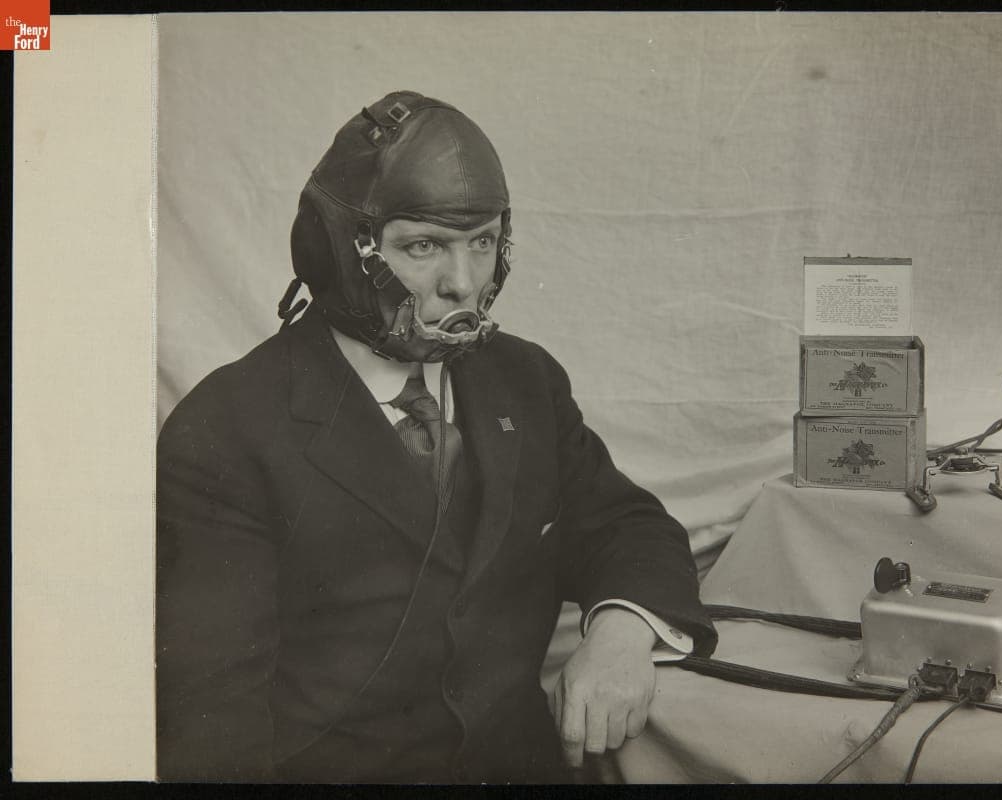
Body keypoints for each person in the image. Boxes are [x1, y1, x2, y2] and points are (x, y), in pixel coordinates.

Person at [156, 90, 717, 784]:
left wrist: (622, 632)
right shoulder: (227, 428)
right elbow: (214, 725)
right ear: (334, 251)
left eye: (481, 243)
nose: (462, 283)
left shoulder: (524, 380)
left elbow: (625, 525)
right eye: (424, 246)